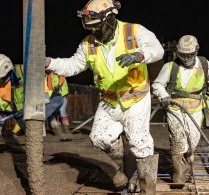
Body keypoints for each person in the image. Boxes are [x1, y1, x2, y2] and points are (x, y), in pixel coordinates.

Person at [45, 0, 164, 193]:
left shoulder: (134, 31)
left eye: (97, 26)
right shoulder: (88, 44)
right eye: (90, 28)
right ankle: (125, 160)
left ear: (110, 18)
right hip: (109, 100)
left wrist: (139, 55)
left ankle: (147, 189)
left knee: (140, 142)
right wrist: (50, 63)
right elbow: (73, 65)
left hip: (135, 99)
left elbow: (157, 50)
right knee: (99, 138)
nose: (95, 32)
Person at [152, 35, 209, 183]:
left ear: (196, 51)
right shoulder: (170, 67)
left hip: (195, 108)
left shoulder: (204, 64)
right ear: (178, 53)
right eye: (183, 55)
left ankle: (186, 164)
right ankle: (179, 175)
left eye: (189, 55)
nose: (186, 58)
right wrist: (163, 96)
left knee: (192, 141)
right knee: (177, 138)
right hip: (174, 108)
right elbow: (157, 85)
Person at [45, 70, 67, 140]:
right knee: (51, 114)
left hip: (59, 95)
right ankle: (59, 132)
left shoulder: (57, 71)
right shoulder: (48, 74)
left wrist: (59, 85)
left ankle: (65, 131)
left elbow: (61, 78)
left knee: (61, 112)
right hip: (52, 95)